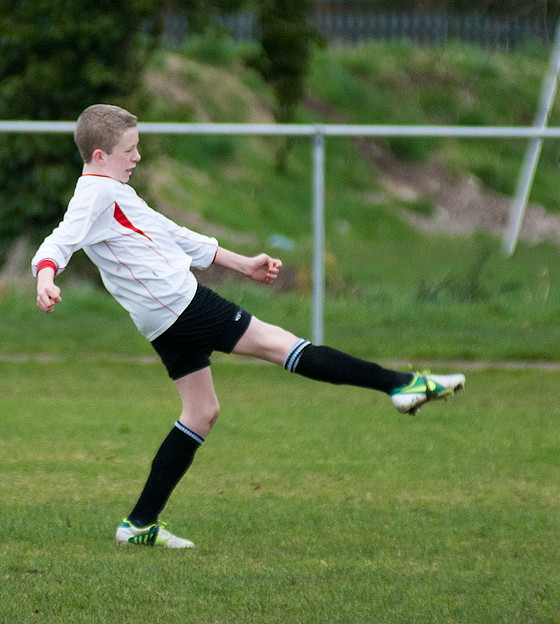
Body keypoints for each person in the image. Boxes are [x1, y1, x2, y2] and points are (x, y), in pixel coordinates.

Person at [31, 104, 465, 549]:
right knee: (285, 346)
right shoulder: (95, 195)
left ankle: (139, 525)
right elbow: (59, 241)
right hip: (182, 305)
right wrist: (46, 276)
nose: (137, 157)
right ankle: (401, 385)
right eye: (130, 150)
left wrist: (243, 264)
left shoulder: (113, 193)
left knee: (201, 412)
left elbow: (173, 234)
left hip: (161, 318)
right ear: (101, 156)